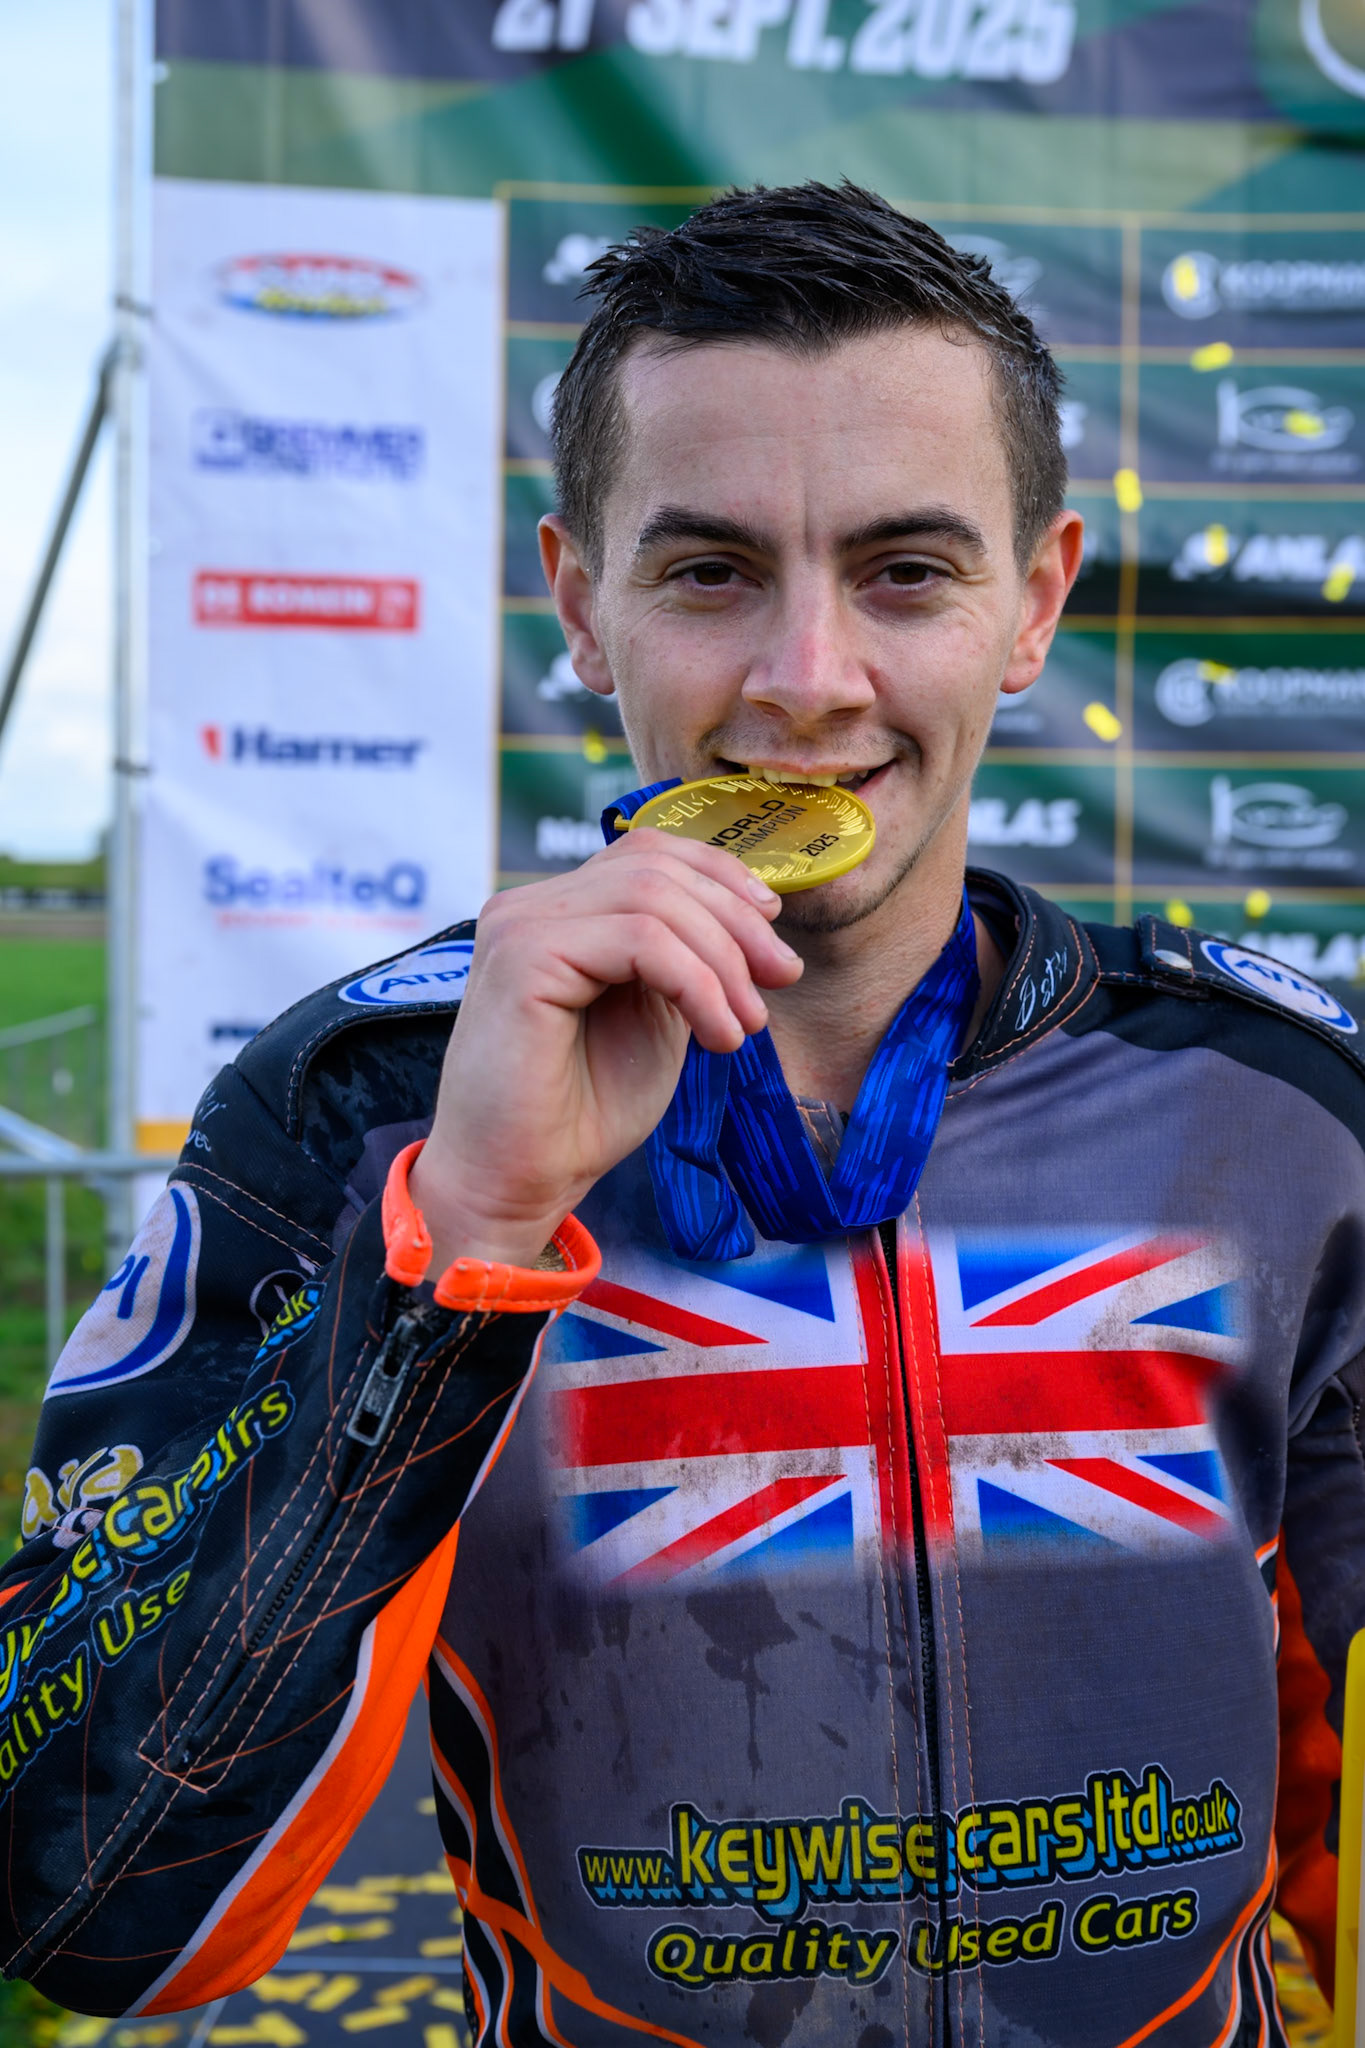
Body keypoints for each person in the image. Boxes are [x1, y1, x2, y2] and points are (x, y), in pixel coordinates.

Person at [2, 181, 1361, 2046]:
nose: (809, 681)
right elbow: (88, 1914)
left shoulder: (1277, 1106)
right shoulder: (354, 1116)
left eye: (905, 572)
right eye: (711, 572)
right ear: (581, 601)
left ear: (1032, 604)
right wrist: (457, 1253)